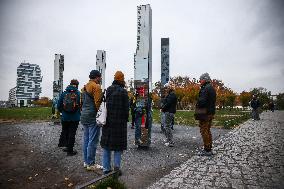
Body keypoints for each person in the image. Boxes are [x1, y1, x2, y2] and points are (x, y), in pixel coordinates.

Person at [100, 71, 129, 175]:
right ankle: (116, 169)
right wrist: (125, 119)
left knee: (107, 146)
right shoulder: (124, 92)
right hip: (119, 124)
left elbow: (102, 105)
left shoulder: (107, 90)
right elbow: (126, 110)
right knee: (118, 147)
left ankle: (106, 169)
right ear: (122, 79)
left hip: (107, 122)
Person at [80, 70, 103, 171]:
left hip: (84, 115)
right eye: (100, 77)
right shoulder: (96, 87)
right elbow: (98, 103)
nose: (101, 79)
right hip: (92, 116)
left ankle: (86, 162)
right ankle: (91, 163)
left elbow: (81, 102)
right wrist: (101, 114)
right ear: (96, 77)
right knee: (92, 140)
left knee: (86, 139)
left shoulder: (84, 87)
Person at [57, 79, 81, 156]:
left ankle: (67, 147)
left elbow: (58, 105)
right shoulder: (78, 93)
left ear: (70, 84)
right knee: (72, 133)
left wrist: (63, 112)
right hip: (75, 117)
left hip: (65, 117)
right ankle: (70, 151)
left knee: (66, 131)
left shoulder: (64, 93)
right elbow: (81, 105)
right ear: (77, 85)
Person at [195, 73, 216, 156]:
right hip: (210, 112)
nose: (200, 81)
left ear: (205, 79)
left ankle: (207, 150)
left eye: (200, 79)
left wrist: (198, 103)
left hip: (205, 113)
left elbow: (202, 101)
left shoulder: (205, 88)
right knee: (207, 130)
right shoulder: (211, 88)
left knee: (204, 130)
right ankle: (209, 147)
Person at [161, 83, 177, 147]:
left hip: (169, 112)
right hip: (169, 112)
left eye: (166, 88)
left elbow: (168, 104)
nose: (165, 89)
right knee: (166, 126)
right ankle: (168, 139)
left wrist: (162, 108)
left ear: (169, 88)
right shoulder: (171, 94)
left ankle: (170, 141)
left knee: (167, 127)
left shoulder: (172, 95)